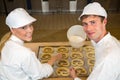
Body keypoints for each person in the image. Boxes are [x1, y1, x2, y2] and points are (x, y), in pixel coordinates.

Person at [0, 8, 62, 80]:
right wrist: (53, 59)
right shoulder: (25, 54)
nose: (30, 30)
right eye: (24, 27)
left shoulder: (5, 43)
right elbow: (39, 74)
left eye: (30, 25)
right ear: (12, 29)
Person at [69, 2, 120, 80]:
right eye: (85, 24)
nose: (88, 29)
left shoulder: (108, 58)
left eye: (93, 22)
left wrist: (75, 77)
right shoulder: (110, 40)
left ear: (104, 22)